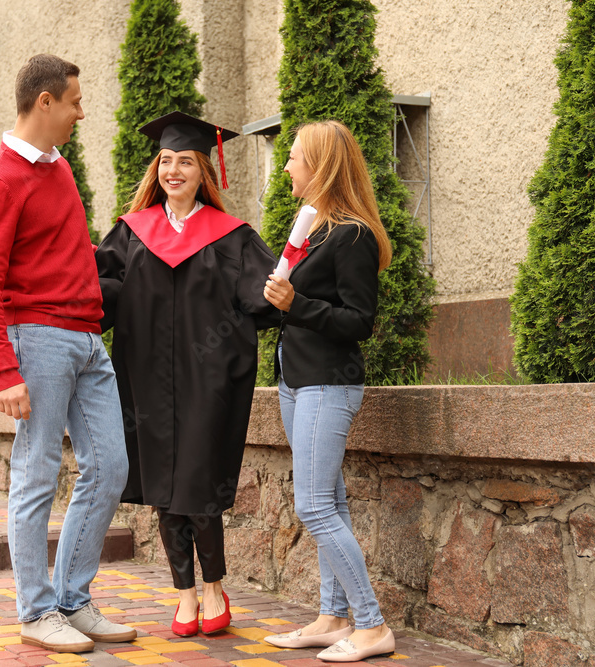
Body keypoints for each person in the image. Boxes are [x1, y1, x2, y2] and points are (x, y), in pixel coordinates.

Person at [0, 54, 136, 654]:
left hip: (88, 340)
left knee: (111, 466)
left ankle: (72, 598)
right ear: (44, 102)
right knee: (36, 472)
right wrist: (3, 371)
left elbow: (59, 249)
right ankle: (36, 611)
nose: (81, 112)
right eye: (75, 102)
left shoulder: (57, 169)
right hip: (34, 340)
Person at [97, 111, 280, 638]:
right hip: (148, 380)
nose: (173, 171)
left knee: (196, 482)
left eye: (184, 162)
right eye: (166, 161)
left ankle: (215, 588)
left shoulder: (231, 236)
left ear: (204, 170)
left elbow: (267, 296)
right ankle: (184, 594)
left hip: (209, 380)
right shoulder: (132, 232)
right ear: (157, 170)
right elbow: (100, 292)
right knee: (163, 484)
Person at [261, 119, 395, 662]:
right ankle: (333, 616)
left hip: (328, 384)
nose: (287, 165)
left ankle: (372, 624)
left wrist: (298, 305)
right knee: (330, 501)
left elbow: (360, 320)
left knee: (314, 506)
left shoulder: (353, 235)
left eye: (293, 157)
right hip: (297, 381)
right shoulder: (313, 229)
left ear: (320, 166)